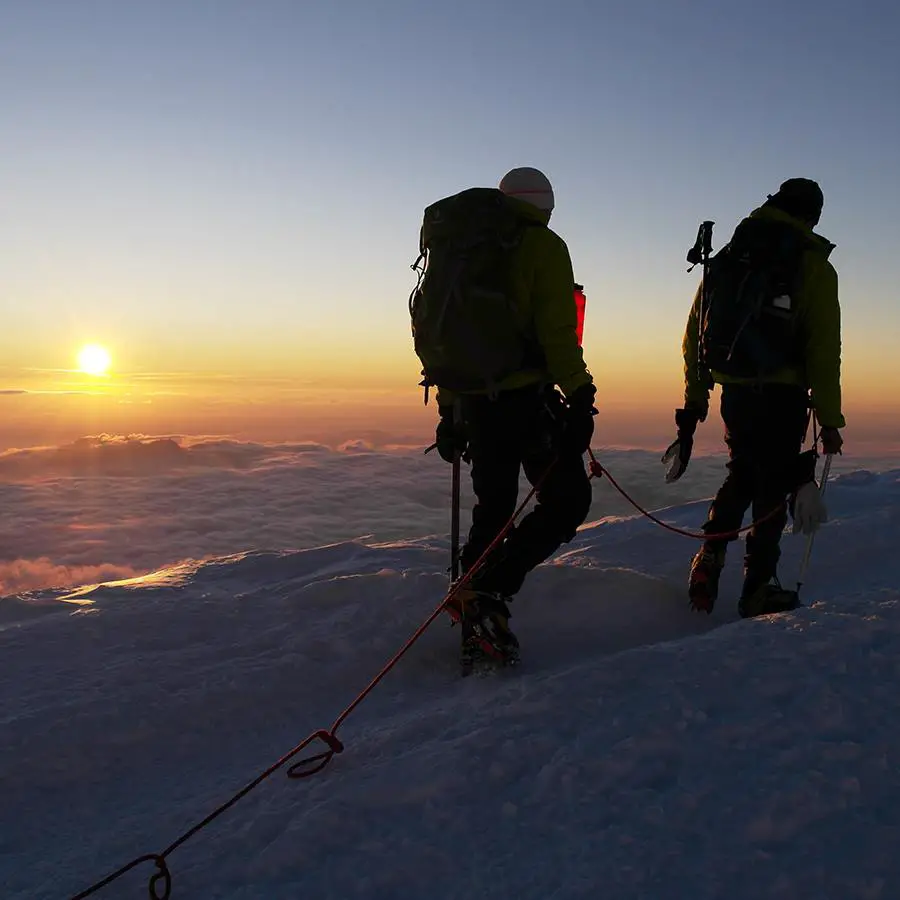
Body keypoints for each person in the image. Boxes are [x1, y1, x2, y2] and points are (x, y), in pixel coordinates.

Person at [414, 167, 597, 661]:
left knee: (494, 510)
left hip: (474, 402)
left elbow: (446, 342)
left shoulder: (458, 249)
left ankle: (477, 620)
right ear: (545, 205)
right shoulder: (542, 245)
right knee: (567, 500)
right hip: (523, 398)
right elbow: (558, 336)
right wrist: (581, 395)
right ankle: (488, 594)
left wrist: (450, 415)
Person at [663, 178, 844, 618]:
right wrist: (830, 418)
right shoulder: (812, 265)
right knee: (772, 487)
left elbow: (694, 336)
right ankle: (758, 588)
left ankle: (709, 555)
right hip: (782, 394)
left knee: (742, 470)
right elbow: (823, 349)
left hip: (736, 390)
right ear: (812, 216)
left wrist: (697, 398)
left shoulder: (729, 257)